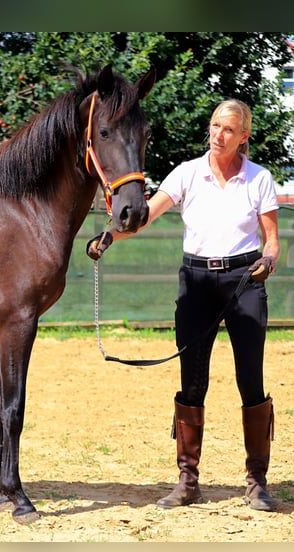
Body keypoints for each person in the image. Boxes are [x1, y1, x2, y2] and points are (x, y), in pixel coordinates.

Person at [87, 98, 280, 512]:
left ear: (243, 136)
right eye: (214, 126)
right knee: (192, 382)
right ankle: (188, 480)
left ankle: (257, 482)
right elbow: (147, 216)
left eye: (227, 129)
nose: (217, 135)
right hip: (195, 283)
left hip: (244, 280)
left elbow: (272, 239)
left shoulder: (259, 179)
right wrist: (109, 237)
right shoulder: (188, 173)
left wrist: (269, 259)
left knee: (251, 379)